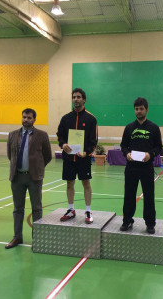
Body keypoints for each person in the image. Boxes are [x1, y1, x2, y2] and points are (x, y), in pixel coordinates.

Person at [5, 108, 52, 249]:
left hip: (34, 178)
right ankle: (17, 237)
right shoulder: (12, 135)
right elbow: (10, 155)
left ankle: (37, 239)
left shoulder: (42, 135)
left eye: (29, 117)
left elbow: (47, 156)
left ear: (34, 119)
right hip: (17, 177)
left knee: (37, 208)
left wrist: (37, 168)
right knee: (17, 209)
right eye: (24, 117)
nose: (26, 119)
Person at [120, 97, 162, 234]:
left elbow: (158, 147)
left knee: (149, 196)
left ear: (146, 110)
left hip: (147, 168)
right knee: (129, 195)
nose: (138, 111)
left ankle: (150, 223)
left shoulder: (154, 128)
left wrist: (150, 155)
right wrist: (126, 154)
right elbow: (123, 146)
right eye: (136, 109)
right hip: (131, 168)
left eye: (141, 109)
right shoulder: (129, 128)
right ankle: (127, 220)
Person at [57, 88, 97, 224]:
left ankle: (88, 210)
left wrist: (87, 152)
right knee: (70, 183)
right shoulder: (66, 118)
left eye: (79, 97)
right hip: (69, 158)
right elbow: (60, 135)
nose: (76, 99)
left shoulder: (91, 119)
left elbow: (94, 140)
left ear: (84, 99)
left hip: (83, 158)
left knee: (86, 183)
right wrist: (63, 145)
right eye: (74, 97)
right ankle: (71, 209)